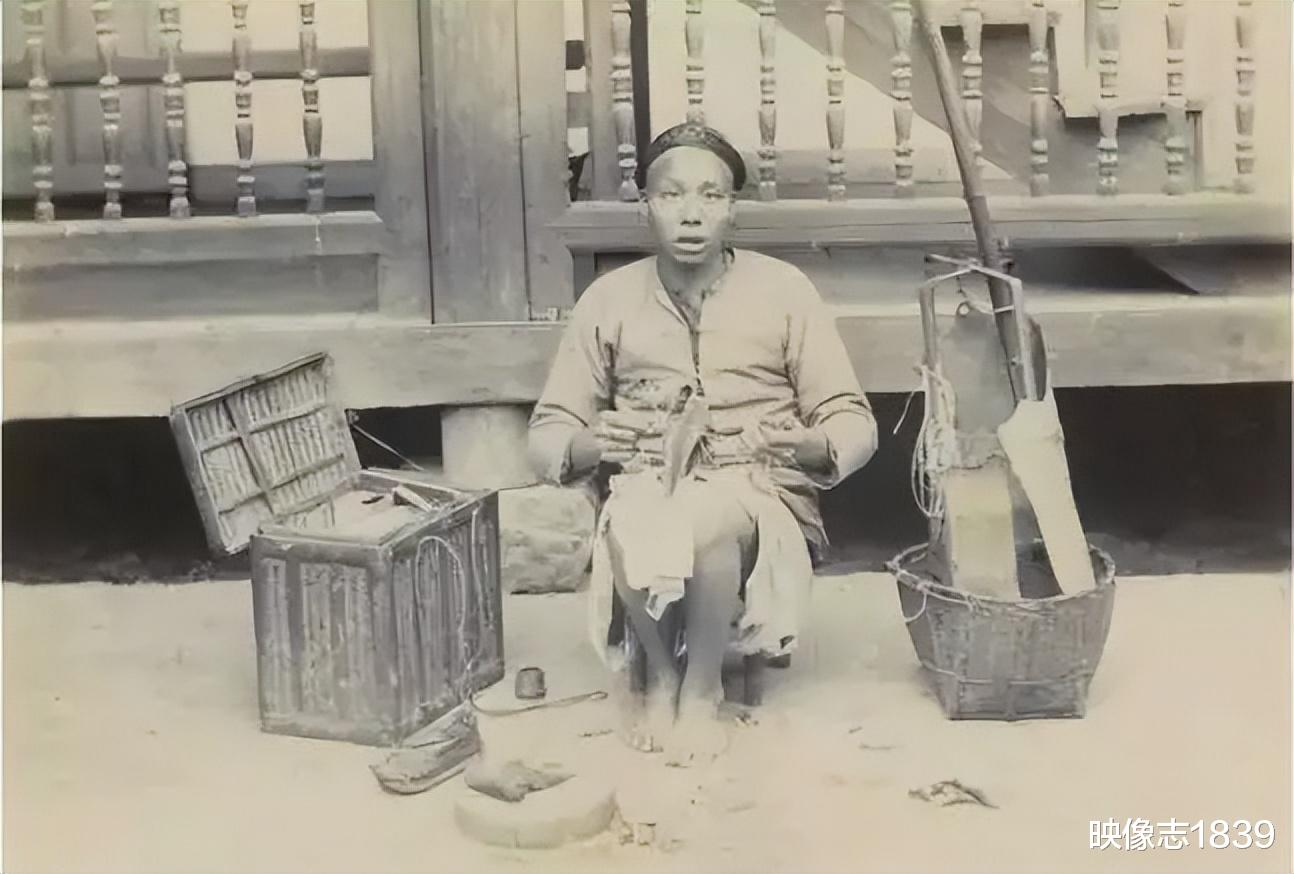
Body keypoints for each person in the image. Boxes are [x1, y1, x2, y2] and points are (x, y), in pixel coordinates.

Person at [528, 124, 878, 766]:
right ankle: (662, 674)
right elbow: (547, 434)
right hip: (648, 482)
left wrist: (809, 443)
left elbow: (853, 421)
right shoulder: (608, 300)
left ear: (732, 208)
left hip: (758, 494)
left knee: (706, 516)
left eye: (711, 196)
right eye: (671, 196)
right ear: (646, 207)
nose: (691, 214)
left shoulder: (784, 292)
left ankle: (702, 687)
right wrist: (591, 442)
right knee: (634, 512)